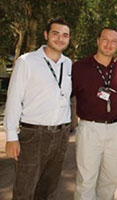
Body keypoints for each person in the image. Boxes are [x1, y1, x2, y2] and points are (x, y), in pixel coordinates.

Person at [4, 18, 72, 199]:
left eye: (65, 35)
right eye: (55, 34)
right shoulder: (27, 61)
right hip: (33, 136)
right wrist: (11, 136)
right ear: (46, 35)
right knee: (24, 191)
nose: (60, 39)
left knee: (48, 190)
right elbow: (14, 99)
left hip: (61, 135)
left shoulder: (68, 64)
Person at [72, 27, 117, 200]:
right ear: (97, 40)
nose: (109, 44)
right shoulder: (79, 68)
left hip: (116, 128)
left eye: (114, 41)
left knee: (110, 180)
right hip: (90, 129)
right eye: (105, 39)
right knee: (86, 180)